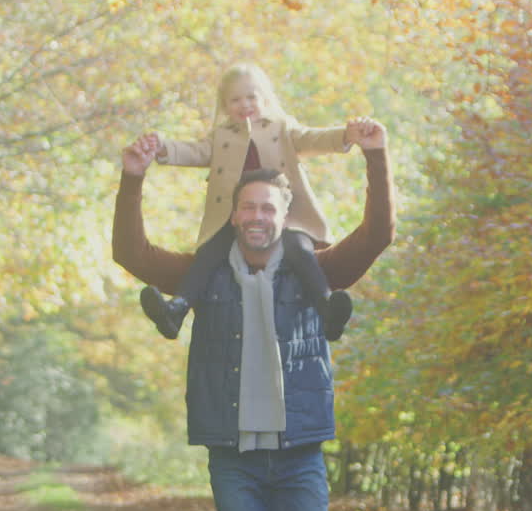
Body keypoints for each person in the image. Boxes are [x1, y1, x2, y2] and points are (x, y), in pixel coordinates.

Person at [111, 117, 394, 511]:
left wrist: (376, 157)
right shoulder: (205, 272)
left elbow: (378, 234)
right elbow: (131, 251)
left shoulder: (315, 270)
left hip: (300, 454)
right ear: (233, 214)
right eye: (248, 208)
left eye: (269, 208)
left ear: (284, 215)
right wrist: (133, 179)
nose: (257, 217)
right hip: (234, 457)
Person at [138, 63, 367, 342]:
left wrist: (345, 135)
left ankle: (326, 308)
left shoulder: (281, 127)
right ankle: (178, 309)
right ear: (224, 105)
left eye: (251, 97)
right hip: (235, 217)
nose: (244, 104)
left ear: (265, 99)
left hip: (282, 216)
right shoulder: (222, 136)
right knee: (208, 254)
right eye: (235, 99)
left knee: (299, 248)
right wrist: (163, 146)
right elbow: (195, 152)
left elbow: (312, 137)